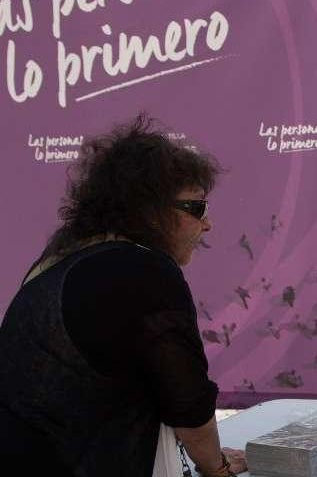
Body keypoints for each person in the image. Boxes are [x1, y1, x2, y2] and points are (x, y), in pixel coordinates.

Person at [0, 116, 248, 475]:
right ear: (150, 210)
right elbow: (189, 405)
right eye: (196, 207)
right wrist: (218, 468)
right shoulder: (145, 272)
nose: (207, 223)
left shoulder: (65, 254)